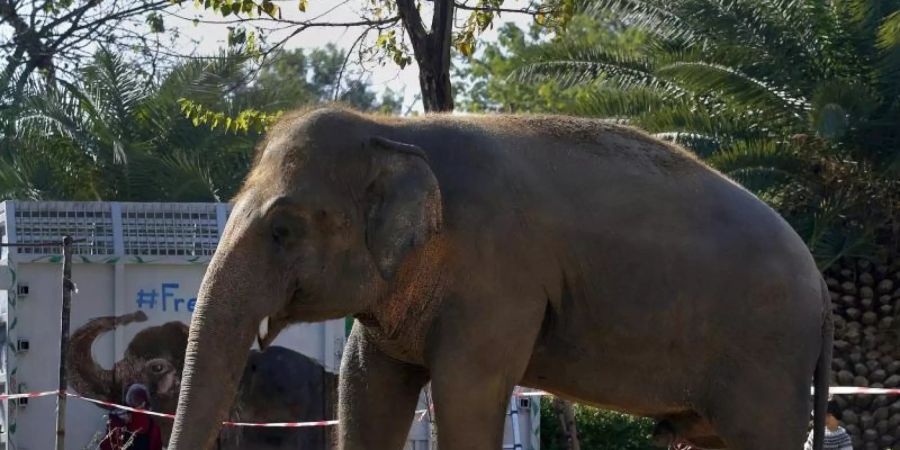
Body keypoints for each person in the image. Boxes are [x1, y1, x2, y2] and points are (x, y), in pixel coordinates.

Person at [100, 384, 163, 450]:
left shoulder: (153, 427)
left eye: (139, 400)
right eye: (134, 399)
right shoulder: (120, 419)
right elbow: (107, 444)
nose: (137, 403)